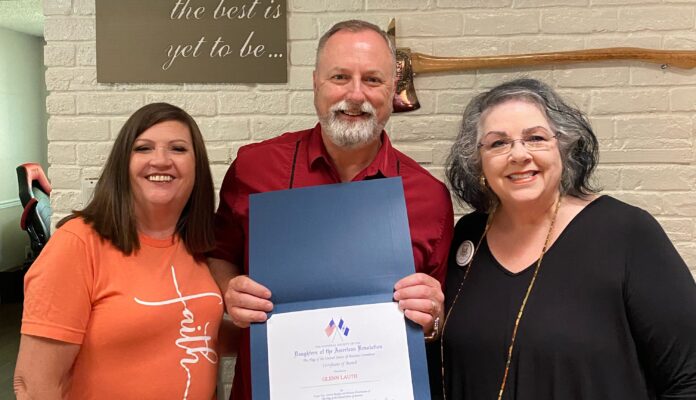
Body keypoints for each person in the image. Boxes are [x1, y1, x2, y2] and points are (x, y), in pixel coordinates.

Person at [208, 20, 454, 399]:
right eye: (340, 76)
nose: (355, 95)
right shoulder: (254, 169)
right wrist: (230, 291)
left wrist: (432, 317)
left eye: (372, 80)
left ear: (392, 91)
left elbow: (434, 316)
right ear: (315, 84)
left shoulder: (429, 197)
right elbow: (219, 255)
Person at [437, 78, 696, 399]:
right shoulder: (469, 235)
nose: (519, 154)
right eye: (498, 143)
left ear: (564, 146)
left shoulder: (626, 233)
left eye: (535, 138)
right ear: (478, 162)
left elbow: (689, 377)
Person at [14, 103, 223, 400]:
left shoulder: (201, 244)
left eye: (178, 149)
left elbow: (189, 328)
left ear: (197, 166)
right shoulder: (77, 243)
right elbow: (33, 386)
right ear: (122, 164)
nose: (161, 160)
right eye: (143, 148)